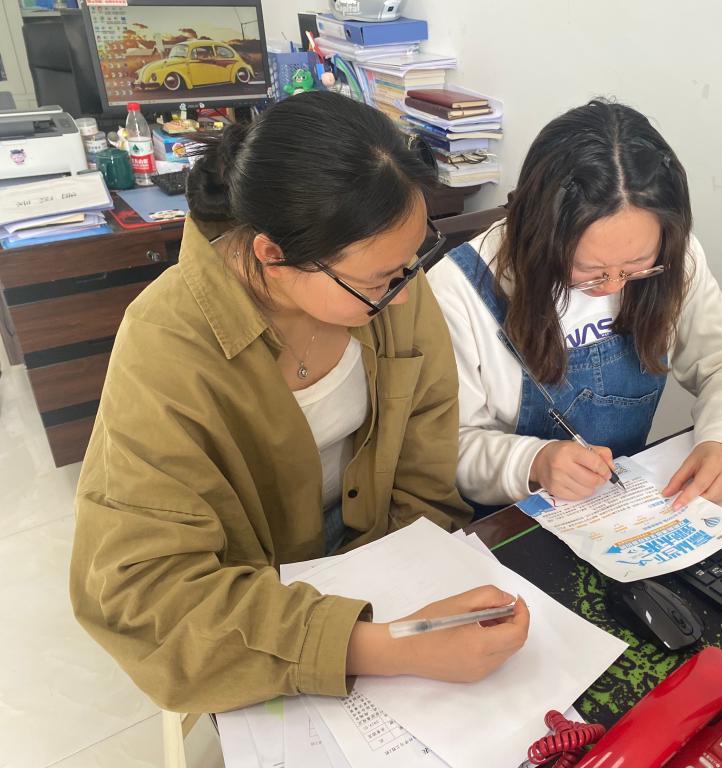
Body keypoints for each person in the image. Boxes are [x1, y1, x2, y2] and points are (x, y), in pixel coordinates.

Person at [69, 92, 528, 714]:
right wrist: (379, 646)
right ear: (272, 256)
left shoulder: (391, 281)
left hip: (382, 553)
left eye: (411, 263)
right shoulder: (165, 345)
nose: (403, 293)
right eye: (378, 280)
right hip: (252, 600)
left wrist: (407, 576)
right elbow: (146, 594)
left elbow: (426, 449)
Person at [427, 99, 722, 511]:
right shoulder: (458, 290)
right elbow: (446, 445)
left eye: (635, 266)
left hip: (626, 504)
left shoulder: (673, 257)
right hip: (512, 517)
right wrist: (534, 461)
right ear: (539, 235)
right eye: (588, 269)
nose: (612, 285)